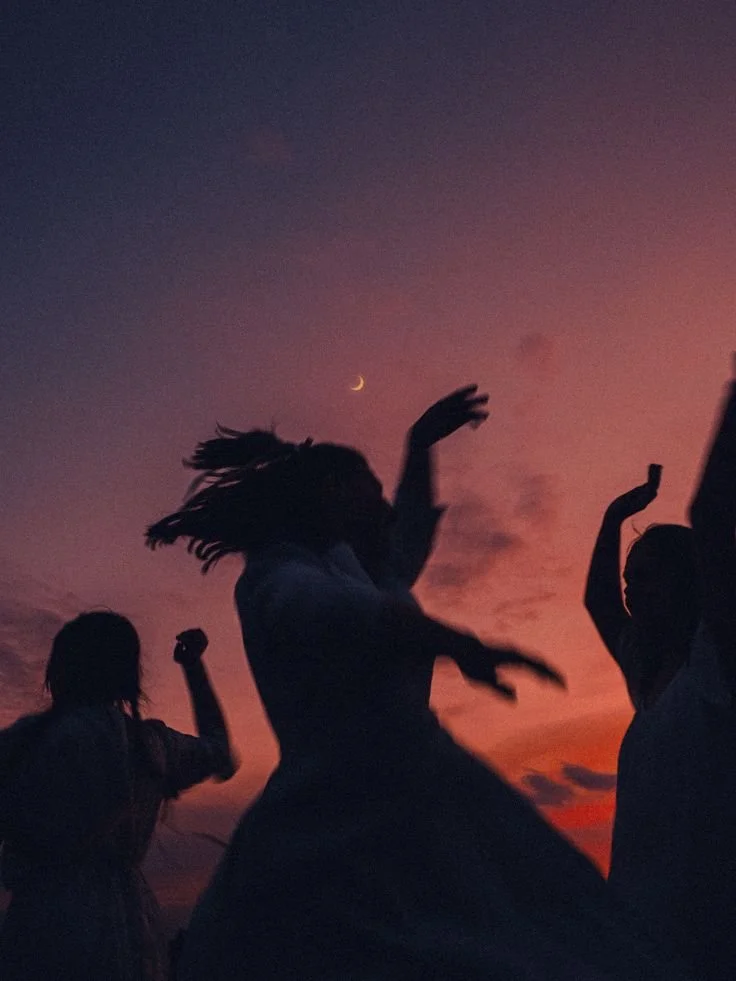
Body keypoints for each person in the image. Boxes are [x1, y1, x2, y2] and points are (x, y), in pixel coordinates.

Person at [146, 424, 686, 981]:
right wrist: (457, 644)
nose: (384, 504)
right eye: (371, 489)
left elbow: (401, 545)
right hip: (345, 800)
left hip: (415, 781)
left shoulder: (354, 567)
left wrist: (422, 444)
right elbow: (334, 610)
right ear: (333, 493)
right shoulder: (279, 573)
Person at [589, 360, 736, 981]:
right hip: (643, 937)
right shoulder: (646, 676)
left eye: (648, 578)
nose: (632, 592)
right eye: (631, 580)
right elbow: (599, 602)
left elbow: (717, 520)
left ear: (691, 581)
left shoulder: (717, 662)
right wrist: (612, 518)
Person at [0, 613, 237, 981]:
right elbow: (221, 754)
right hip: (128, 932)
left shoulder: (20, 745)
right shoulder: (150, 746)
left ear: (58, 670)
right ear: (127, 677)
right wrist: (193, 667)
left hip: (39, 927)